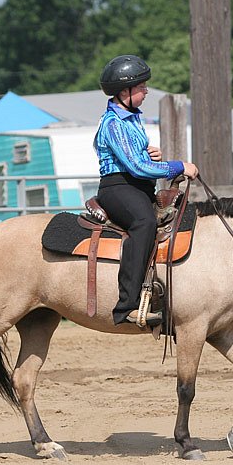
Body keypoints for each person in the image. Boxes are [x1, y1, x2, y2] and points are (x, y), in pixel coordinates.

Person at [94, 54, 199, 325]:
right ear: (124, 92)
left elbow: (137, 159)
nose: (146, 91)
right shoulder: (114, 123)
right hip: (118, 187)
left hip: (136, 186)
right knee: (144, 221)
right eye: (141, 87)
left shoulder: (131, 119)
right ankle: (126, 307)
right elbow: (136, 168)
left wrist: (151, 153)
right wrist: (177, 166)